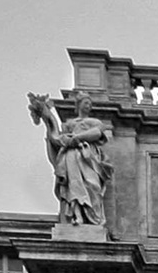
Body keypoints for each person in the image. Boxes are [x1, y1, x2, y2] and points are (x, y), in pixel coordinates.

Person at [28, 92, 113, 228]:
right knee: (74, 184)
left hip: (88, 157)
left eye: (90, 103)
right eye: (86, 103)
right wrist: (47, 118)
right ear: (78, 105)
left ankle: (92, 217)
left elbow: (97, 133)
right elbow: (57, 138)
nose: (89, 105)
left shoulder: (95, 122)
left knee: (92, 185)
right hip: (71, 156)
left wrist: (76, 138)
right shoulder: (69, 124)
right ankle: (77, 215)